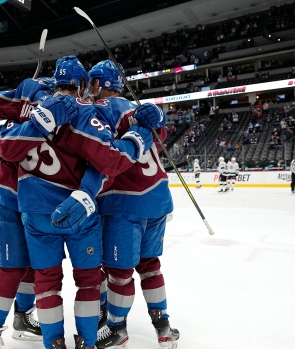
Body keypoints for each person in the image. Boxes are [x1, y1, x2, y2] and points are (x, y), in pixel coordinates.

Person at [0, 56, 153, 349]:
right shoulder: (85, 111)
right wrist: (140, 135)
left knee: (46, 280)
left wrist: (29, 106)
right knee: (89, 281)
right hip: (78, 213)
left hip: (34, 213)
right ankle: (87, 341)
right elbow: (110, 160)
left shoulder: (29, 106)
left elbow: (5, 146)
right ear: (83, 84)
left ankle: (53, 342)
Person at [73, 60, 178, 349]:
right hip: (158, 198)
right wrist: (160, 121)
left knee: (119, 273)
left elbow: (101, 155)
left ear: (96, 84)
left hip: (124, 202)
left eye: (90, 84)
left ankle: (117, 329)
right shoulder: (139, 111)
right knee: (150, 265)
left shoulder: (100, 110)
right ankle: (163, 325)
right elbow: (158, 140)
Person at [0, 77, 56, 347]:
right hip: (9, 199)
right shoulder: (19, 108)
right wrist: (18, 95)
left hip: (37, 202)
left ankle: (22, 317)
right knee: (11, 268)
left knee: (33, 266)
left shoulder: (61, 106)